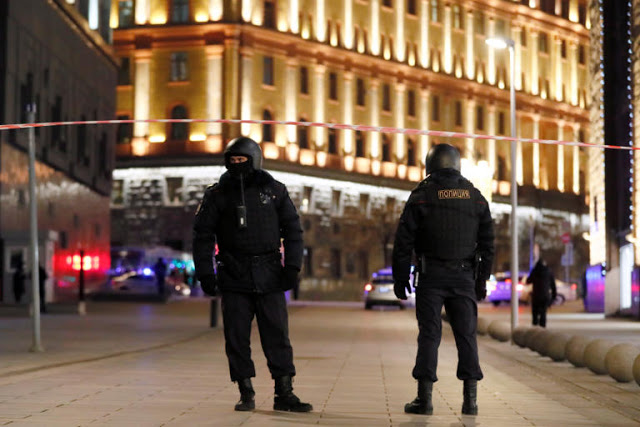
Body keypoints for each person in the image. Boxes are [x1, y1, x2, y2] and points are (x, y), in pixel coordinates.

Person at [193, 136, 312, 413]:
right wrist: (205, 273)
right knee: (236, 337)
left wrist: (292, 268)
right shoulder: (217, 195)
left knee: (277, 335)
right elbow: (202, 236)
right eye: (232, 161)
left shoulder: (274, 191)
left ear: (254, 160)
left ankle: (285, 392)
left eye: (242, 160)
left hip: (270, 274)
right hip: (233, 274)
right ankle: (245, 391)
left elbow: (293, 232)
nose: (237, 165)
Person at [392, 143, 494, 416]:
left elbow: (403, 241)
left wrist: (400, 278)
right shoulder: (475, 197)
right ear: (456, 164)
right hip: (464, 277)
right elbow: (488, 244)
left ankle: (424, 400)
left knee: (429, 335)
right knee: (466, 336)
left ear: (431, 165)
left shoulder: (422, 195)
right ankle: (470, 401)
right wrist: (481, 280)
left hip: (431, 276)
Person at [526, 243, 557, 328]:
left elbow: (528, 281)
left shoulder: (535, 271)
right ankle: (542, 329)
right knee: (543, 313)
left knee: (535, 314)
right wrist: (553, 297)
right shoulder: (549, 271)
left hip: (536, 296)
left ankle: (535, 328)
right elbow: (553, 285)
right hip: (545, 296)